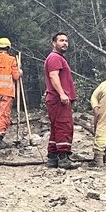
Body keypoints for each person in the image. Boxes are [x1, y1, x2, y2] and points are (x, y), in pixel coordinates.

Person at [43, 32, 76, 169]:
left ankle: (52, 158)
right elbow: (53, 76)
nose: (65, 43)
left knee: (56, 128)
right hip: (58, 99)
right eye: (61, 40)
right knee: (64, 126)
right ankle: (63, 158)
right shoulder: (55, 58)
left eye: (66, 41)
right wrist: (62, 94)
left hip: (56, 99)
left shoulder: (57, 58)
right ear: (53, 43)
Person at [0, 37, 21, 146]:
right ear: (8, 48)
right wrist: (20, 72)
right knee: (4, 115)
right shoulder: (11, 60)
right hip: (6, 92)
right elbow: (16, 76)